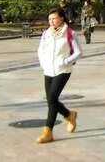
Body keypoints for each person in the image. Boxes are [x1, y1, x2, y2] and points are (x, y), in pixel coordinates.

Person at [36, 8, 82, 144]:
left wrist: (65, 61)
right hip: (48, 70)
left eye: (54, 18)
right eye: (49, 19)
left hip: (63, 70)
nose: (51, 21)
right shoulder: (46, 34)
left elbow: (78, 52)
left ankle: (48, 132)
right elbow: (40, 50)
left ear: (61, 18)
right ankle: (70, 115)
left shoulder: (70, 33)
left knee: (52, 98)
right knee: (51, 101)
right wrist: (43, 63)